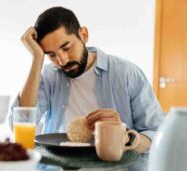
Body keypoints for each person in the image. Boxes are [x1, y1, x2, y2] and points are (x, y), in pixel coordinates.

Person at [11, 6, 164, 153]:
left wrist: (124, 136)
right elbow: (19, 123)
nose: (62, 61)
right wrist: (37, 58)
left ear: (83, 35)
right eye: (51, 55)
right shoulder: (48, 76)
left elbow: (157, 135)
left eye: (66, 47)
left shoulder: (127, 73)